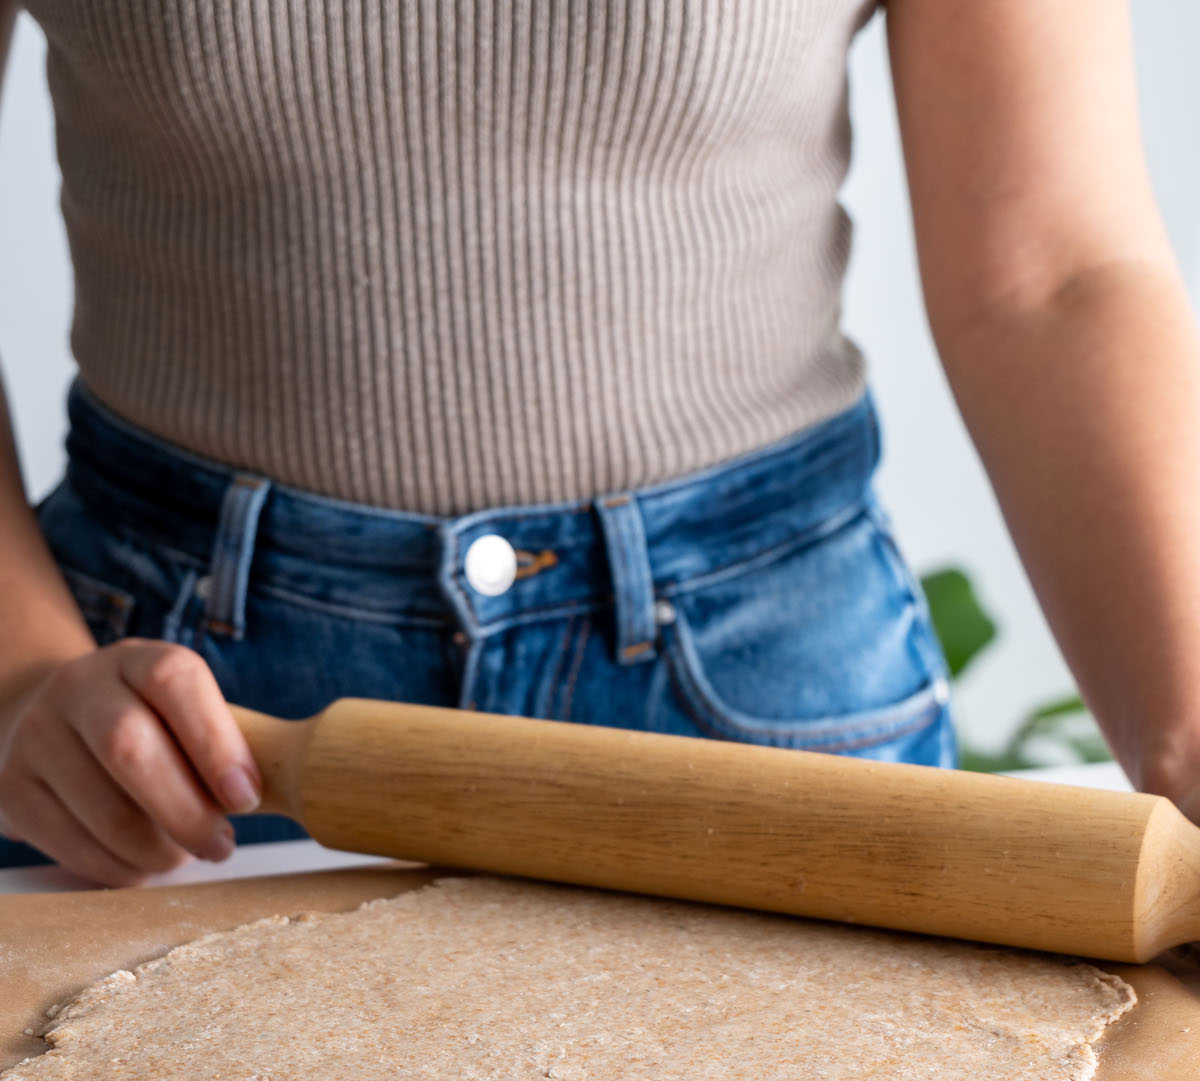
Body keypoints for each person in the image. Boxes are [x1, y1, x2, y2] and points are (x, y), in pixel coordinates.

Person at [1, 0, 1198, 886]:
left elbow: (1053, 277)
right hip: (177, 729)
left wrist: (1190, 724)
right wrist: (18, 678)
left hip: (758, 680)